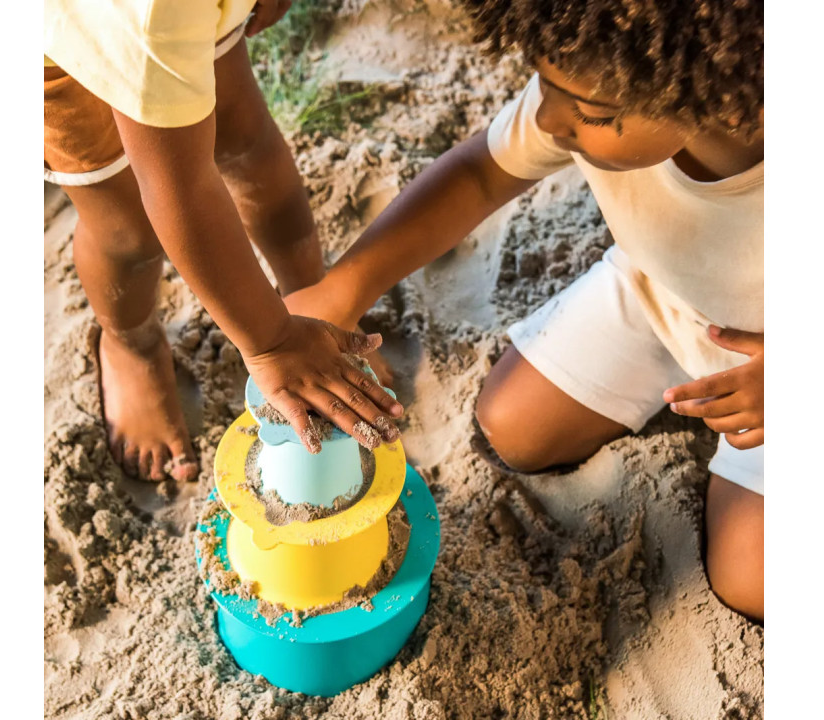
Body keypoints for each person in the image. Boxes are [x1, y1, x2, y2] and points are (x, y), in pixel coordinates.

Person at [284, 0, 764, 620]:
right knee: (513, 423)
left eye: (589, 113)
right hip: (661, 292)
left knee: (750, 577)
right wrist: (342, 291)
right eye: (544, 84)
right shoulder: (594, 74)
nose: (548, 119)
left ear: (718, 97)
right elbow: (480, 176)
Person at [44, 0, 404, 483]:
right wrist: (272, 343)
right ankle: (131, 342)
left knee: (246, 140)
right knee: (127, 224)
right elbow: (180, 187)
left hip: (177, 16)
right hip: (64, 41)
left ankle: (308, 292)